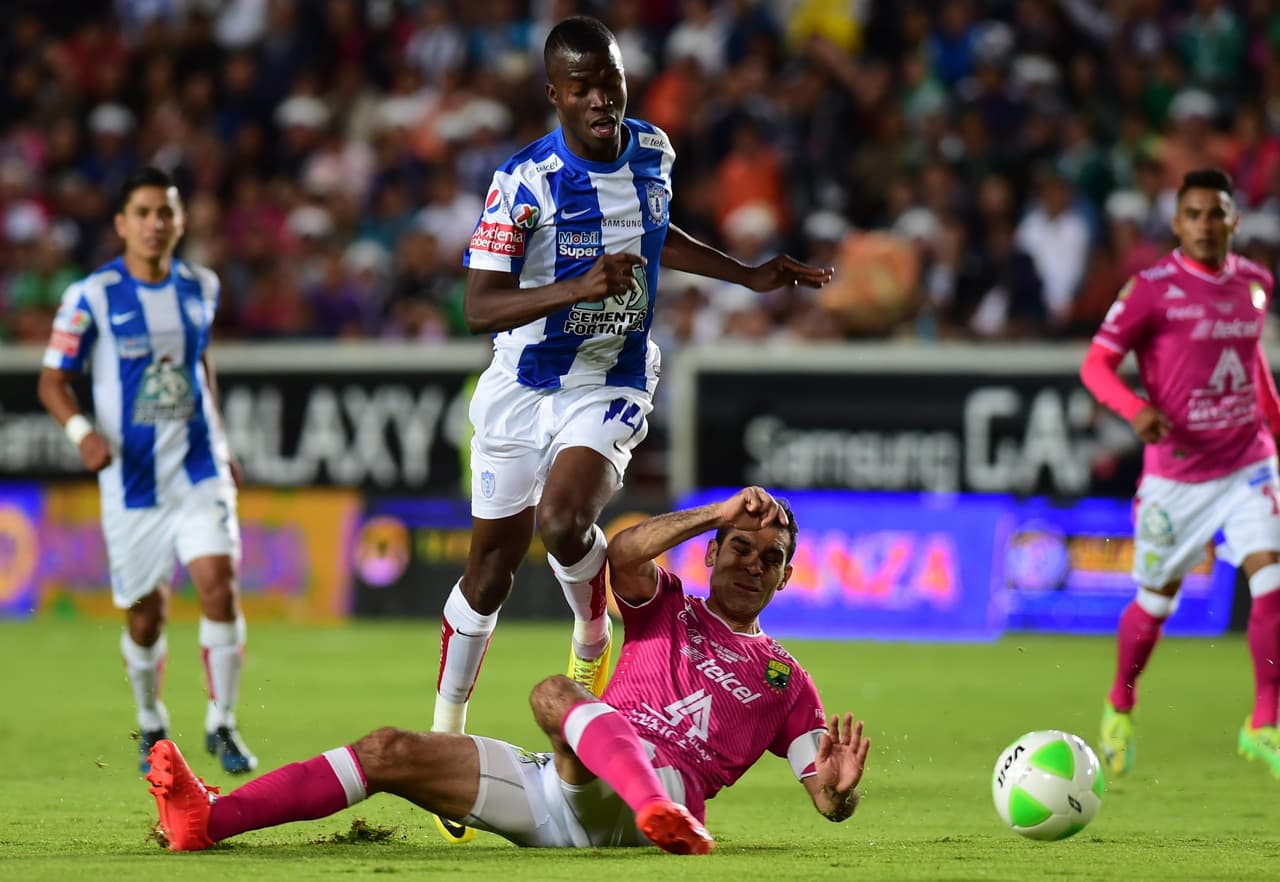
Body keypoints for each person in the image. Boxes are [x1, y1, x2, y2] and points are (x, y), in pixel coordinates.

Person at [431, 14, 832, 841]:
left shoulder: (653, 152)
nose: (601, 100)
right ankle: (447, 733)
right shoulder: (524, 181)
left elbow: (657, 239)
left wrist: (746, 276)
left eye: (610, 83)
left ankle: (590, 623)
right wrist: (574, 287)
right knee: (489, 575)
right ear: (556, 95)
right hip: (524, 380)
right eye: (582, 88)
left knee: (564, 520)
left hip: (608, 376)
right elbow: (477, 306)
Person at [143, 487, 871, 854]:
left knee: (555, 692)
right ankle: (208, 820)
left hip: (659, 782)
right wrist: (716, 512)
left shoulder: (787, 680)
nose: (751, 563)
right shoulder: (669, 604)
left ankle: (659, 809)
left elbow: (824, 797)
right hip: (566, 791)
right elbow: (621, 554)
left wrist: (839, 796)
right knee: (387, 750)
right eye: (739, 547)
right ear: (710, 554)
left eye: (768, 558)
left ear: (785, 579)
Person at [37, 166, 256, 775]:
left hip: (197, 467)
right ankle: (152, 717)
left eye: (166, 213)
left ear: (180, 222)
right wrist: (83, 435)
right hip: (132, 481)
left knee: (220, 587)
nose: (155, 224)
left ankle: (223, 723)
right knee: (145, 613)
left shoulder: (201, 286)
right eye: (143, 213)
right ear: (121, 224)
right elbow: (52, 380)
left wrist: (222, 442)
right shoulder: (91, 296)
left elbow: (200, 364)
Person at [1080, 168, 1280, 778]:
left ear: (1233, 220)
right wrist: (1134, 408)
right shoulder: (1150, 289)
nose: (1205, 225)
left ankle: (1264, 724)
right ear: (1176, 223)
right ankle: (1120, 702)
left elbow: (1253, 369)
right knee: (1155, 600)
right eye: (1193, 214)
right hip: (1178, 478)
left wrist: (1275, 425)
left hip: (1248, 461)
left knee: (1272, 581)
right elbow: (1096, 366)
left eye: (1216, 213)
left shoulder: (1255, 284)